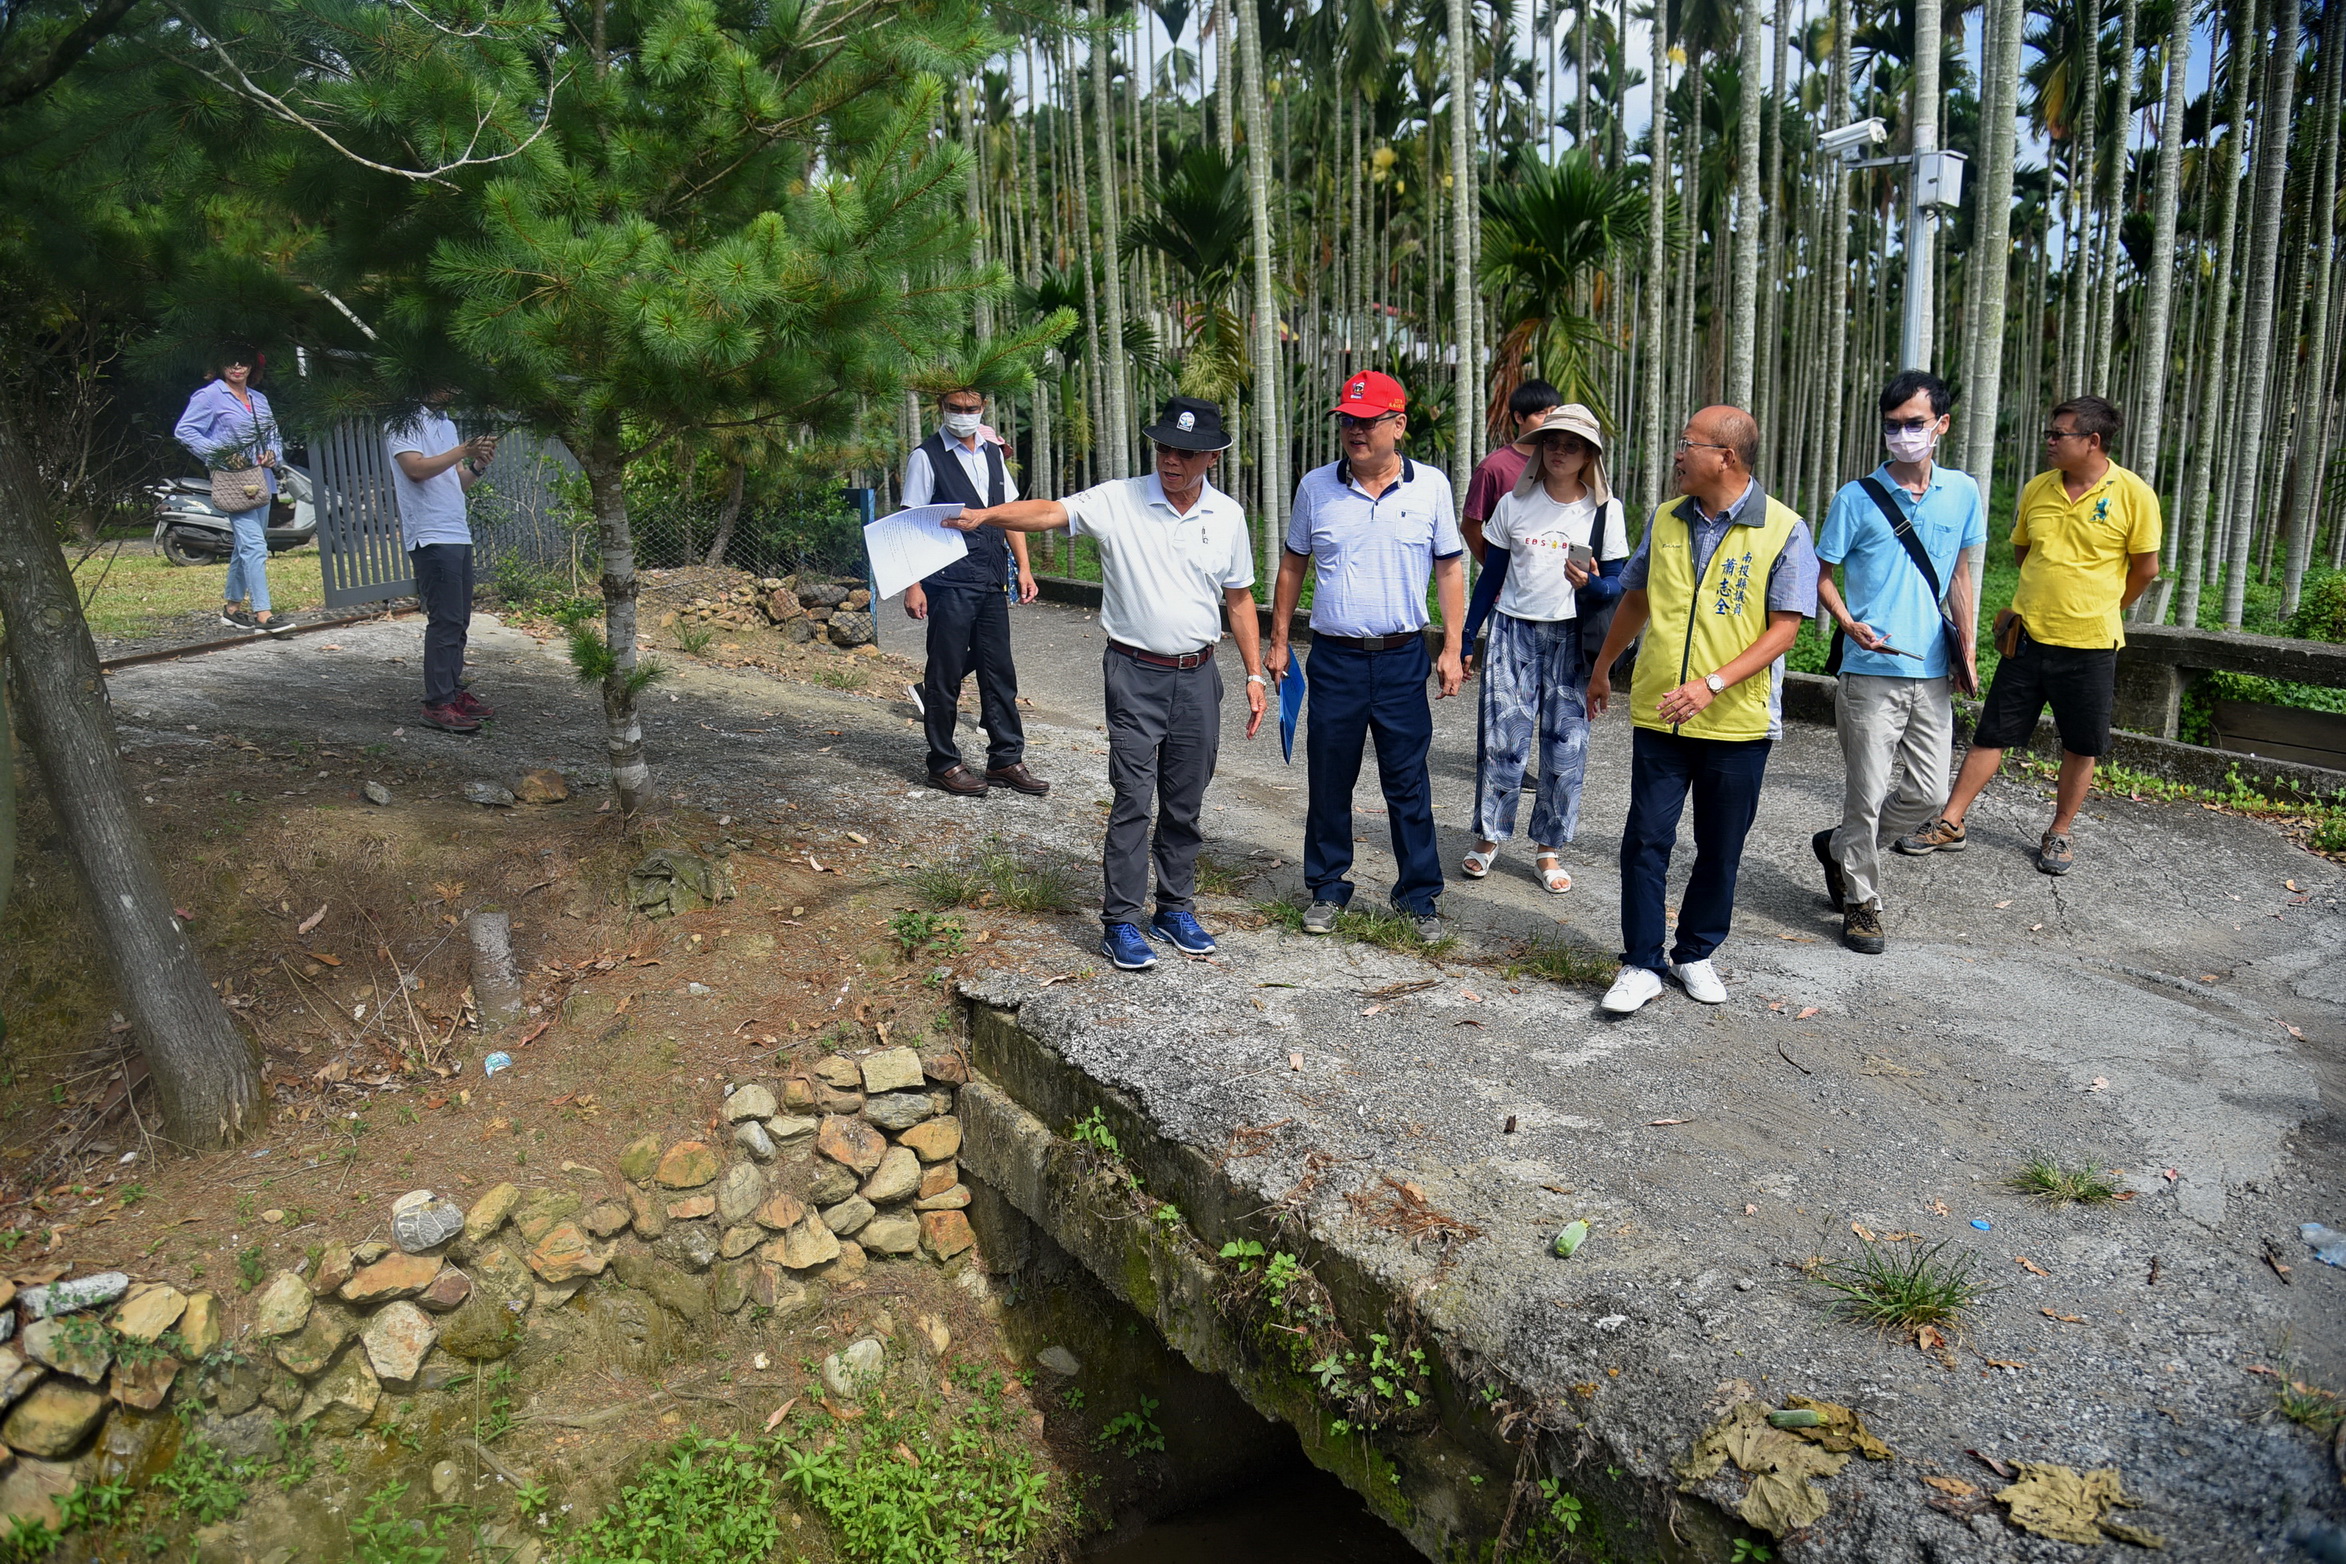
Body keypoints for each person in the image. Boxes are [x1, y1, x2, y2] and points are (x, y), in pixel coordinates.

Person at [945, 396, 1267, 971]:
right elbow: (1046, 512)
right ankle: (1120, 919)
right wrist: (986, 516)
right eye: (1166, 446)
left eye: (1187, 452)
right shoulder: (1119, 499)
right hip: (1134, 673)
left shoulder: (1229, 517)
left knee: (1186, 801)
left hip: (1198, 678)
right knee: (1133, 799)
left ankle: (1173, 908)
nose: (1173, 459)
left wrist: (1253, 673)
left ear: (1212, 457)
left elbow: (1239, 600)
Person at [1587, 405, 1818, 1015]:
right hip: (1663, 711)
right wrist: (1604, 665)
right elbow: (1636, 599)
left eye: (1687, 444)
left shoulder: (1784, 529)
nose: (1677, 455)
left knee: (1720, 846)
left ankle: (1694, 952)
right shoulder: (1666, 518)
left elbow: (1784, 630)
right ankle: (1641, 963)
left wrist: (1712, 684)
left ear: (1727, 458)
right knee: (1645, 839)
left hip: (1737, 721)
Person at [1895, 394, 2161, 876]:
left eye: (2059, 435)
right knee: (1992, 732)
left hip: (2092, 645)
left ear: (2093, 441)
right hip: (2029, 636)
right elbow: (2023, 553)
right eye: (2050, 433)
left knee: (2081, 744)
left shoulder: (2134, 494)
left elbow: (2145, 569)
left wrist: (2103, 606)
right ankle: (1951, 821)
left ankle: (2059, 831)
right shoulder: (2038, 488)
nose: (2050, 442)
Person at [1269, 371, 1468, 940]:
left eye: (1368, 421)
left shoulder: (1430, 487)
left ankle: (1418, 897)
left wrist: (1452, 647)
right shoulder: (1316, 488)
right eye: (1348, 421)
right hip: (1336, 659)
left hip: (1404, 657)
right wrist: (1280, 640)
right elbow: (1291, 566)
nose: (1355, 431)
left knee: (1407, 781)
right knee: (1330, 777)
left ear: (1398, 425)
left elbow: (1450, 568)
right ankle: (1328, 889)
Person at [1810, 370, 1983, 954]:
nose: (1903, 435)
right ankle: (1861, 903)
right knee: (1866, 792)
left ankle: (1841, 846)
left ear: (1941, 425)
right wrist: (1847, 621)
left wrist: (1968, 650)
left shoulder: (1963, 492)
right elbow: (1822, 575)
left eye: (1914, 424)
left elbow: (1960, 573)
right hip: (1869, 672)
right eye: (1893, 425)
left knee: (1930, 797)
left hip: (1932, 670)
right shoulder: (1856, 498)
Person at [1457, 405, 1631, 893]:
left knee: (1566, 746)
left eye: (1571, 445)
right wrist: (1468, 636)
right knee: (1501, 740)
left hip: (1573, 638)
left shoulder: (1605, 511)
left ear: (1589, 455)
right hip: (1512, 631)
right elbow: (1491, 574)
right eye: (1552, 442)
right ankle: (1489, 837)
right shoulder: (1514, 502)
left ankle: (1547, 849)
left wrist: (1592, 585)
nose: (1559, 452)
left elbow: (1619, 585)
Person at [900, 386, 1047, 797]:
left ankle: (1005, 759)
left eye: (971, 408)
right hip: (947, 579)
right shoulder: (926, 457)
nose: (962, 414)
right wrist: (913, 585)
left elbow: (1009, 515)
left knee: (999, 671)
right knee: (945, 673)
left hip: (991, 577)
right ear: (941, 408)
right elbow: (910, 523)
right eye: (954, 407)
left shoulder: (992, 452)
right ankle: (943, 763)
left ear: (983, 408)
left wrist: (1024, 568)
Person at [387, 393, 499, 734]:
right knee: (445, 621)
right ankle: (437, 703)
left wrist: (477, 465)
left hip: (456, 531)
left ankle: (453, 692)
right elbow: (415, 469)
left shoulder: (445, 422)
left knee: (459, 620)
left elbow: (456, 483)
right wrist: (462, 451)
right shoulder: (402, 419)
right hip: (431, 534)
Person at [174, 346, 291, 635]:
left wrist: (273, 454)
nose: (237, 367)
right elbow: (185, 430)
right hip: (234, 483)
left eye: (244, 363)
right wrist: (222, 454)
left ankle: (232, 610)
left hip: (262, 480)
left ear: (253, 367)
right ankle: (263, 614)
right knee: (254, 546)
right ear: (219, 364)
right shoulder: (209, 396)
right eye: (230, 361)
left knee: (246, 545)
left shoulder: (259, 400)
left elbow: (274, 436)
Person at [1461, 379, 1563, 562]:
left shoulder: (1565, 463)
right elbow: (1470, 527)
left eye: (1554, 412)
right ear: (1519, 417)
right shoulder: (1494, 467)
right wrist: (1497, 570)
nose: (1549, 420)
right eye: (1540, 414)